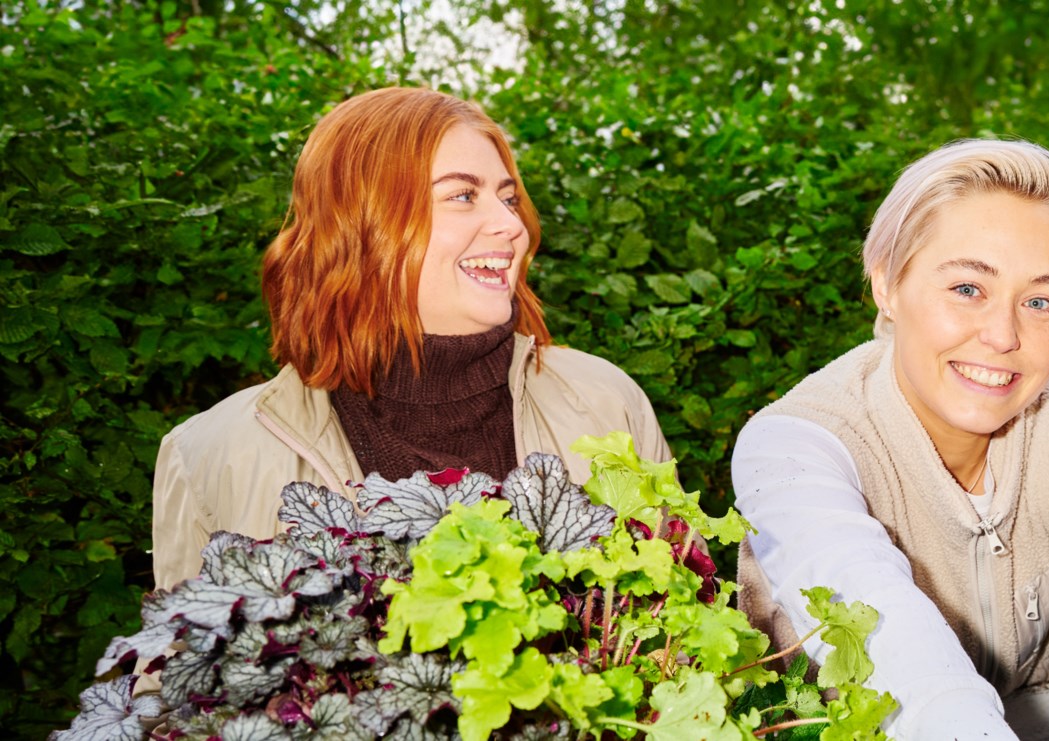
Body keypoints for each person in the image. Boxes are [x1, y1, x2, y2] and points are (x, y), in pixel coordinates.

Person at [733, 139, 1049, 737]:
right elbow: (910, 670)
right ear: (887, 284)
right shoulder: (793, 446)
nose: (1003, 334)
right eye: (968, 288)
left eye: (1040, 301)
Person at [151, 88, 669, 590]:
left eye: (508, 198)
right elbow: (171, 672)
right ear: (361, 223)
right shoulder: (210, 456)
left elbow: (684, 652)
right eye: (463, 195)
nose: (510, 224)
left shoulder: (606, 404)